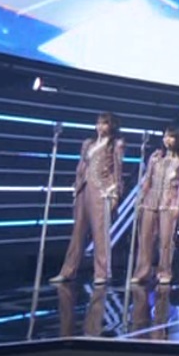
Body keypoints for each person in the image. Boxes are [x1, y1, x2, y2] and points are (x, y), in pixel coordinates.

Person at [51, 112, 124, 286]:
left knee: (99, 233)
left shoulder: (116, 144)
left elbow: (117, 170)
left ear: (112, 126)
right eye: (98, 123)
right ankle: (68, 271)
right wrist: (76, 187)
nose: (100, 127)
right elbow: (81, 166)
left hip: (102, 191)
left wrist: (115, 194)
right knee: (77, 232)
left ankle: (101, 273)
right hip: (84, 189)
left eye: (104, 123)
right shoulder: (88, 144)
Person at [131, 126, 179, 285]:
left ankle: (164, 271)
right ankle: (142, 272)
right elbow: (147, 180)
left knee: (166, 240)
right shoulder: (156, 158)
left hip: (169, 202)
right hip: (151, 200)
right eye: (165, 136)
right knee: (145, 238)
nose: (167, 140)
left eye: (171, 137)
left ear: (178, 140)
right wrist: (141, 199)